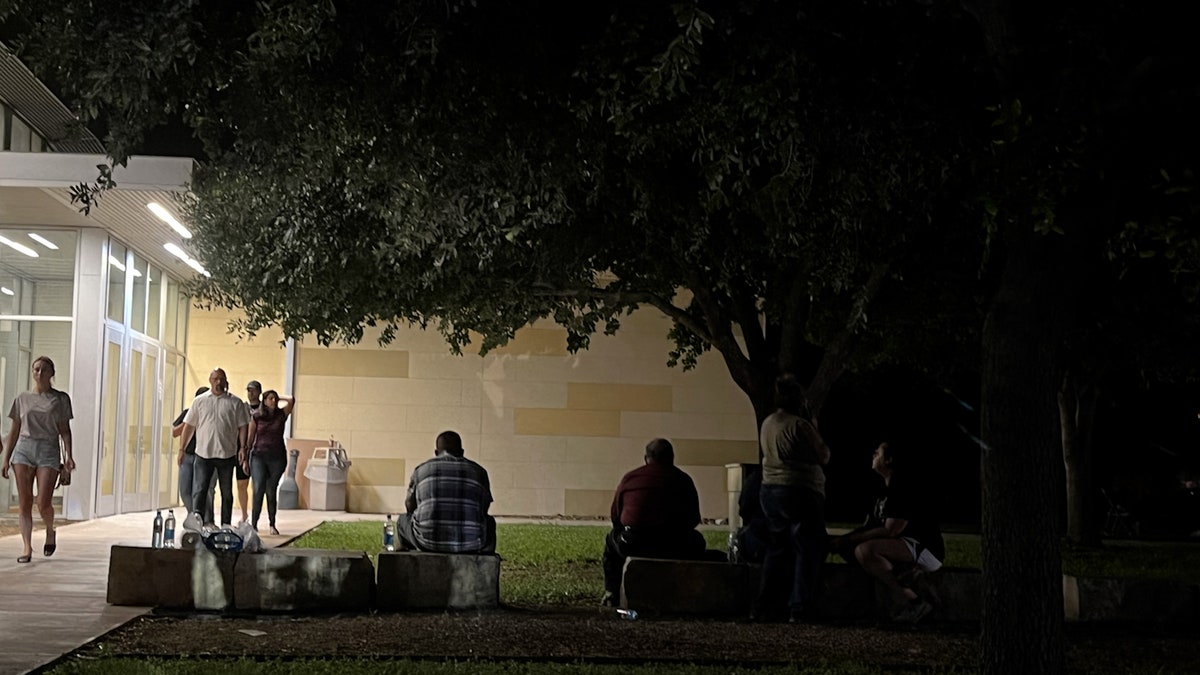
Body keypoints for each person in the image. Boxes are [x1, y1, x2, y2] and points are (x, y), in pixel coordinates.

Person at [830, 441, 944, 623]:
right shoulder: (885, 492)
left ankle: (915, 601)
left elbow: (891, 530)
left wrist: (853, 539)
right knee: (854, 550)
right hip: (905, 546)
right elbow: (871, 527)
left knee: (864, 550)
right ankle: (901, 579)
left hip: (926, 550)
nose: (873, 454)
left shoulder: (902, 486)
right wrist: (845, 540)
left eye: (878, 452)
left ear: (889, 460)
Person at [753, 373, 831, 623]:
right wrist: (814, 424)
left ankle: (764, 605)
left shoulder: (768, 423)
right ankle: (799, 606)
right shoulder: (800, 425)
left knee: (777, 548)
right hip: (800, 490)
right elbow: (823, 455)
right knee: (808, 547)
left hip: (770, 488)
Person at [601, 437, 707, 606]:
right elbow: (693, 518)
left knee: (611, 541)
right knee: (698, 541)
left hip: (635, 542)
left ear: (646, 458)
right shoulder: (683, 480)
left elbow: (616, 517)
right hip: (675, 544)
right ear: (672, 457)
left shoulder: (630, 479)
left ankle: (612, 592)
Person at [0, 356, 73, 563]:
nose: (39, 374)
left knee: (43, 502)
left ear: (52, 374)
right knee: (24, 502)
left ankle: (50, 530)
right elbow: (15, 430)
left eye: (44, 370)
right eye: (36, 370)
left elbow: (65, 431)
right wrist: (7, 459)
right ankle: (26, 547)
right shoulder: (22, 398)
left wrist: (69, 456)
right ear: (32, 373)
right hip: (24, 449)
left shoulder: (60, 399)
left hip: (48, 449)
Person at [397, 430, 495, 554]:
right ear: (462, 452)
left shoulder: (421, 470)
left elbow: (409, 507)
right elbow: (484, 508)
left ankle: (406, 556)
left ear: (436, 453)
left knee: (402, 521)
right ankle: (486, 556)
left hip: (426, 542)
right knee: (490, 522)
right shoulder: (479, 472)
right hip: (472, 543)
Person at [179, 368, 251, 527]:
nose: (218, 382)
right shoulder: (200, 401)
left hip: (226, 455)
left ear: (226, 381)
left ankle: (226, 525)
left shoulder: (235, 402)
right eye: (215, 379)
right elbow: (189, 426)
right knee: (200, 491)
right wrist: (181, 449)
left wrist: (243, 448)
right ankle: (198, 523)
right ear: (210, 381)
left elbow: (243, 426)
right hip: (204, 454)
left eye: (221, 379)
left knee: (226, 493)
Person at [246, 390, 295, 535]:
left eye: (275, 399)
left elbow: (291, 400)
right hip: (259, 456)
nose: (273, 401)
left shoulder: (281, 415)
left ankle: (272, 524)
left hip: (277, 457)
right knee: (259, 487)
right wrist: (245, 453)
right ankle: (254, 524)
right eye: (270, 398)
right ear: (264, 401)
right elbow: (250, 437)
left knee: (271, 489)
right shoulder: (257, 417)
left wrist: (279, 395)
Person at [172, 386, 214, 524]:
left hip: (203, 457)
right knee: (184, 490)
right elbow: (174, 432)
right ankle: (193, 516)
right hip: (188, 456)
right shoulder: (187, 413)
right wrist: (189, 422)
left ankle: (205, 519)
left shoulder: (211, 416)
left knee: (201, 490)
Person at [236, 379, 263, 524]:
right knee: (241, 483)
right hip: (243, 449)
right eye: (248, 390)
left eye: (253, 390)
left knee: (257, 485)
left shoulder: (264, 409)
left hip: (258, 449)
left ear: (259, 392)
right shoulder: (242, 408)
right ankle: (244, 513)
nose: (250, 393)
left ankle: (254, 515)